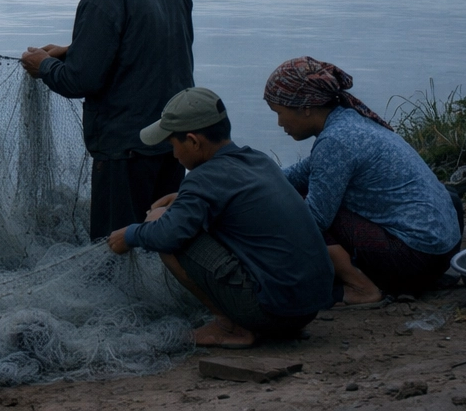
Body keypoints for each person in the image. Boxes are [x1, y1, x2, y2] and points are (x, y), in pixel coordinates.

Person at [108, 87, 337, 348]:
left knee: (158, 223)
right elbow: (228, 195)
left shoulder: (202, 179)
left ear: (193, 141)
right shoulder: (256, 159)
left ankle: (230, 326)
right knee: (176, 219)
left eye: (173, 145)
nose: (174, 155)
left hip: (271, 313)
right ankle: (262, 321)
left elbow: (167, 235)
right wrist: (182, 197)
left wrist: (130, 235)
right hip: (308, 308)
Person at [21, 0, 195, 238]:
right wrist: (71, 50)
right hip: (173, 139)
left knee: (117, 244)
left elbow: (80, 81)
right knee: (162, 236)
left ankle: (119, 294)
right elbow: (149, 41)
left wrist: (43, 66)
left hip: (126, 149)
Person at [265, 57, 462, 304]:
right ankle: (417, 278)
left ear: (305, 106)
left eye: (280, 113)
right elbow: (300, 174)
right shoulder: (351, 120)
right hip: (444, 253)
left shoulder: (336, 141)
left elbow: (315, 219)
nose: (280, 123)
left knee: (304, 212)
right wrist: (257, 180)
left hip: (415, 259)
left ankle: (361, 288)